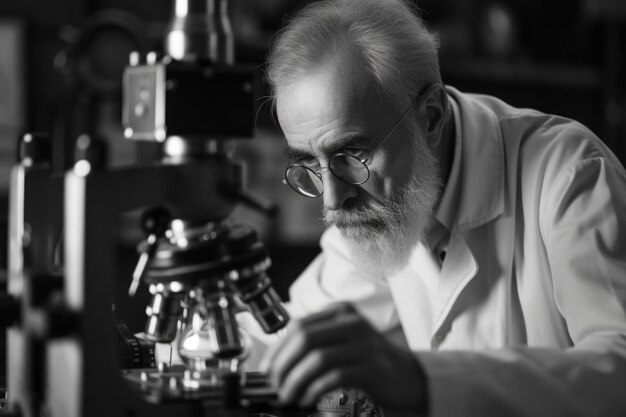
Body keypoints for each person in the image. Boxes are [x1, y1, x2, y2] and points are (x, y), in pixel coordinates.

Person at [256, 0, 626, 415]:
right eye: (309, 164)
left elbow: (619, 368)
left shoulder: (567, 172)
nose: (332, 199)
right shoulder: (381, 208)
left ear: (430, 117)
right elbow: (292, 339)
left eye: (352, 154)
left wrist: (420, 381)